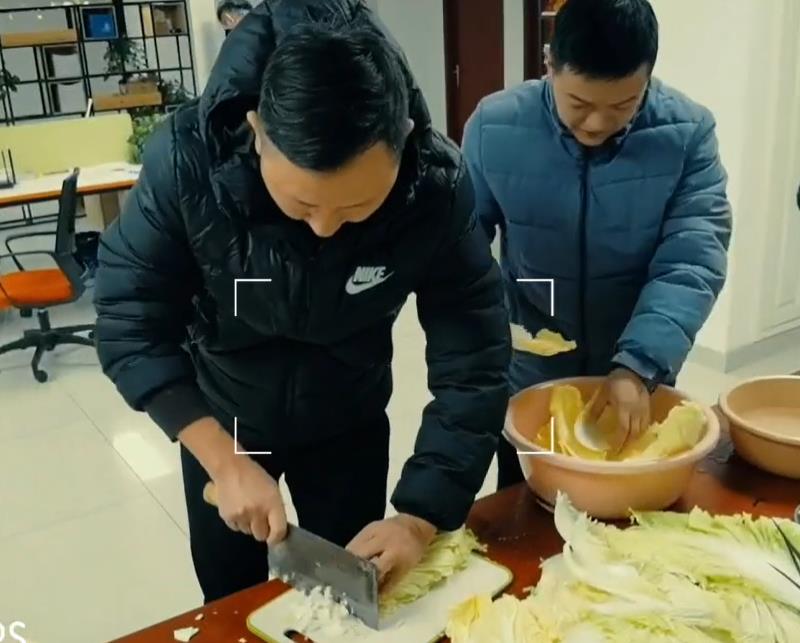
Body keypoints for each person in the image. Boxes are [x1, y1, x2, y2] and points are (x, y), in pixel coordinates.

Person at [94, 0, 510, 603]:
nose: (324, 228)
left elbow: (475, 358)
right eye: (301, 205)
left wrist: (421, 516)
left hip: (347, 417)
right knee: (229, 600)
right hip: (225, 413)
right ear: (257, 131)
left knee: (350, 595)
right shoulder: (188, 159)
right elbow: (129, 317)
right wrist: (223, 459)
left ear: (403, 142)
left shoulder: (434, 185)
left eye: (356, 208)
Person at [462, 0, 732, 489]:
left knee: (627, 512)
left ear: (647, 77)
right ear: (549, 64)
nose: (596, 124)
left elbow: (692, 259)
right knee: (525, 505)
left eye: (623, 105)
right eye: (580, 104)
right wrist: (485, 331)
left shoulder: (687, 135)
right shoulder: (493, 127)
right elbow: (462, 247)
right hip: (531, 373)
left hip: (637, 374)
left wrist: (638, 365)